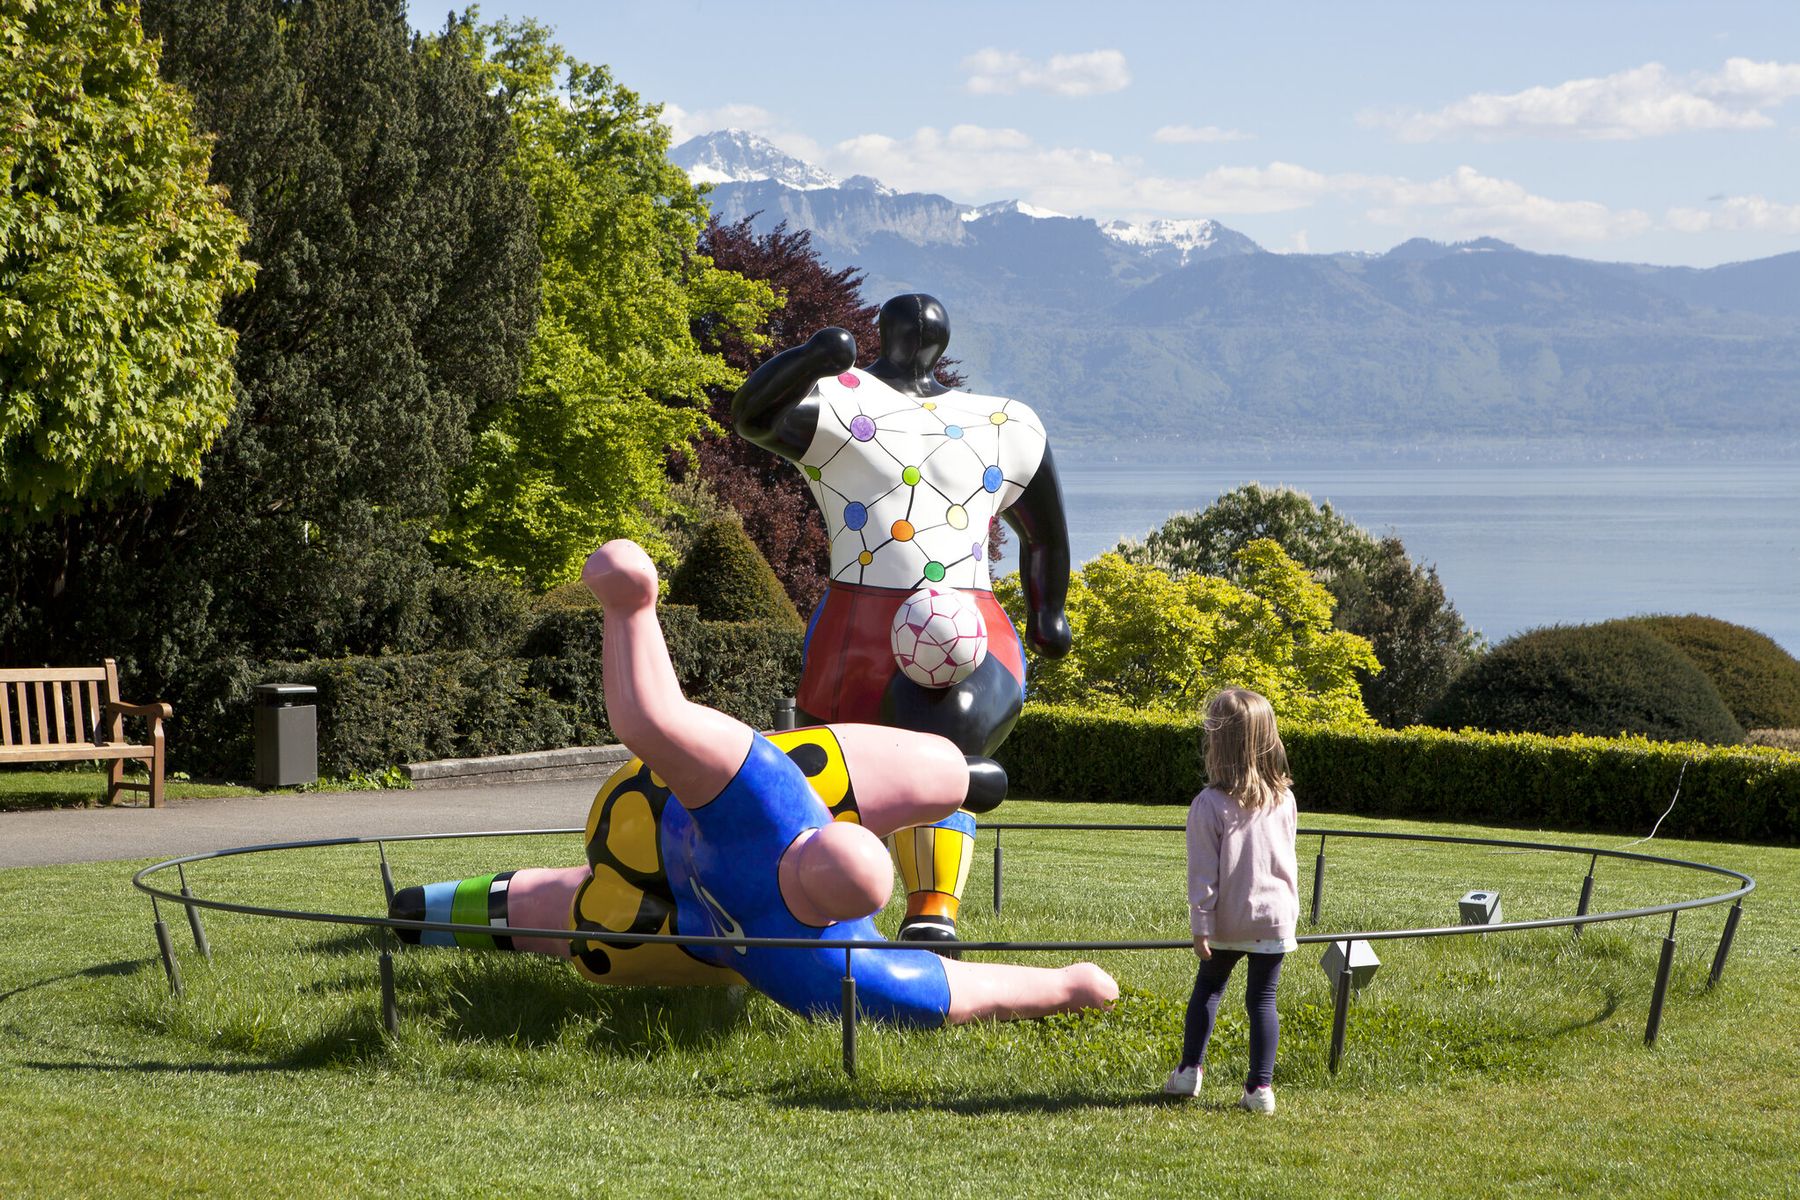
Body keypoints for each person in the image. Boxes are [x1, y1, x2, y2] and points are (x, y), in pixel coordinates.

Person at [391, 539, 1116, 1028]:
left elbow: (650, 717)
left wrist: (630, 604)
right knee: (924, 770)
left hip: (659, 863)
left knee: (586, 920)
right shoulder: (817, 956)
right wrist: (1066, 986)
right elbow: (959, 994)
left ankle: (422, 912)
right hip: (663, 834)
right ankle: (421, 914)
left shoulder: (767, 821)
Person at [729, 294, 1073, 950]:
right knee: (841, 770)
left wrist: (1047, 610)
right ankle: (829, 902)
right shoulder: (843, 401)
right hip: (859, 625)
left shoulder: (1001, 423)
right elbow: (753, 415)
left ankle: (931, 907)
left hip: (967, 621)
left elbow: (1046, 533)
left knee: (947, 743)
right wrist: (813, 358)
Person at [1161, 688, 1300, 1113]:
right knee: (1263, 1000)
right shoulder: (1285, 799)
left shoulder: (1209, 805)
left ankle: (1188, 1073)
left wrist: (1201, 925)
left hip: (1227, 920)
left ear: (1217, 744)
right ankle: (1260, 1090)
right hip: (1275, 919)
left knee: (1207, 989)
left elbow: (1203, 873)